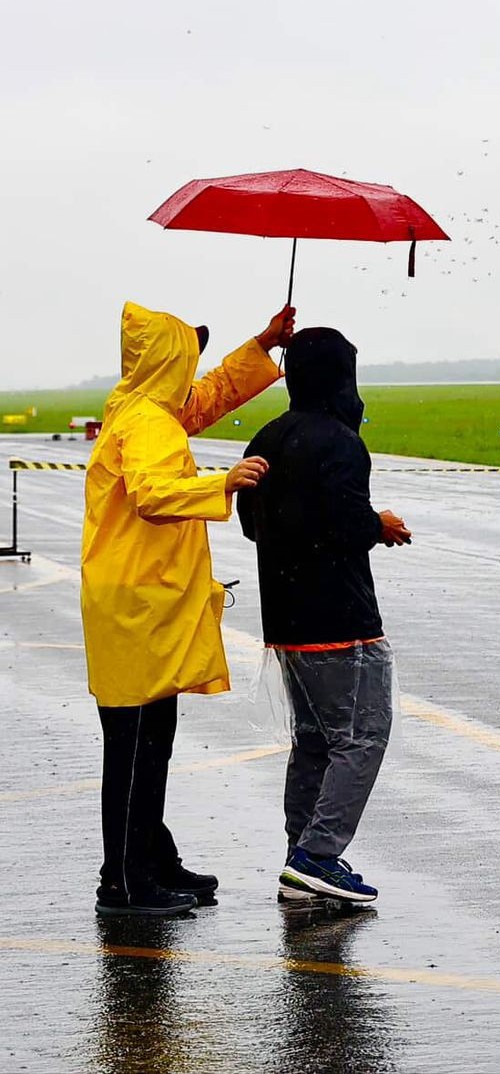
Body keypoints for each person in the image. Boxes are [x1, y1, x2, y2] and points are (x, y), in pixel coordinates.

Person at [81, 299, 295, 917]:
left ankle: (148, 854)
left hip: (143, 600)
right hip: (136, 601)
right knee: (133, 743)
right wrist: (220, 483)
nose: (192, 369)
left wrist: (262, 344)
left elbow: (204, 401)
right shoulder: (145, 423)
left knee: (152, 738)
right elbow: (151, 495)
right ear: (167, 362)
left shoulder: (145, 409)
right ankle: (123, 881)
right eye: (189, 356)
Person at [236, 327, 411, 905]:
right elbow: (343, 523)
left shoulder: (266, 435)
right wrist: (377, 525)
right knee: (361, 737)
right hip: (341, 621)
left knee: (314, 741)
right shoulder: (340, 442)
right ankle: (318, 855)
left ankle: (300, 856)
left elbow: (250, 521)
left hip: (284, 623)